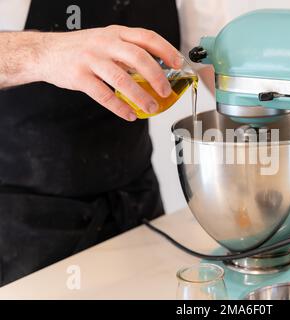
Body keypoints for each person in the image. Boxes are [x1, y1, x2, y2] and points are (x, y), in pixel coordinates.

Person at [0, 0, 225, 286]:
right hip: (22, 223)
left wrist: (259, 114)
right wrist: (44, 50)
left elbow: (209, 53)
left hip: (136, 205)